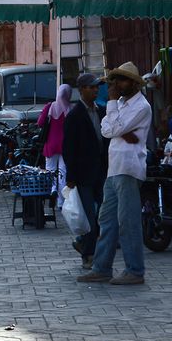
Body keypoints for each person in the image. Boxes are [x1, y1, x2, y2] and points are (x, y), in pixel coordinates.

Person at [77, 62, 152, 286]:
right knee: (107, 219)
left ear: (134, 83)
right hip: (115, 167)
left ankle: (135, 270)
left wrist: (115, 120)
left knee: (127, 221)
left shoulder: (141, 106)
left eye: (122, 80)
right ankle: (102, 267)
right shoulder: (120, 103)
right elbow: (107, 129)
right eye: (116, 80)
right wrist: (118, 128)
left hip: (128, 167)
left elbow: (112, 129)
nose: (117, 84)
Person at [62, 73, 108, 270]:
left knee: (104, 214)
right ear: (81, 90)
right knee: (89, 215)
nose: (95, 90)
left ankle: (86, 244)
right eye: (91, 87)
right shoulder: (74, 116)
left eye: (97, 87)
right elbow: (69, 149)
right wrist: (70, 177)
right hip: (83, 174)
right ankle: (88, 254)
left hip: (101, 171)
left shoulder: (102, 111)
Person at [37, 84, 72, 204]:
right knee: (63, 173)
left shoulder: (50, 107)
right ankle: (61, 202)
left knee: (50, 171)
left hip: (51, 144)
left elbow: (40, 123)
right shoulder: (70, 108)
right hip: (65, 145)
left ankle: (52, 190)